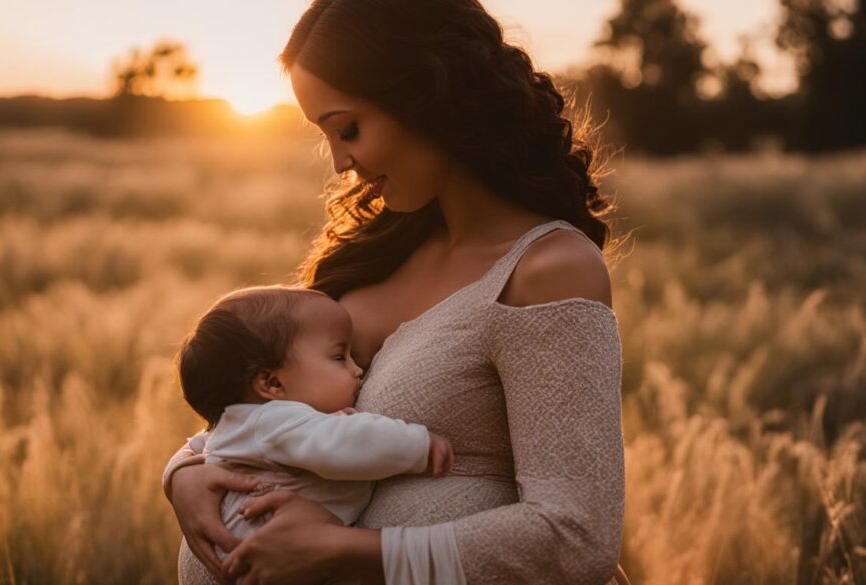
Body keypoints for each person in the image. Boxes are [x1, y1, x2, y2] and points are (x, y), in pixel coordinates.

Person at [164, 0, 632, 583]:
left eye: (349, 128)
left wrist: (344, 554)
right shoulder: (375, 256)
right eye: (326, 136)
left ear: (425, 95)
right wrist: (184, 473)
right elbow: (262, 404)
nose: (340, 162)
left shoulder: (547, 269)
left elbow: (576, 535)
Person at [166, 285, 455, 569]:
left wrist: (172, 473)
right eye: (339, 357)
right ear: (272, 383)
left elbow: (196, 446)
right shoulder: (274, 421)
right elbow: (344, 445)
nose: (358, 370)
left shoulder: (246, 424)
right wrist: (416, 444)